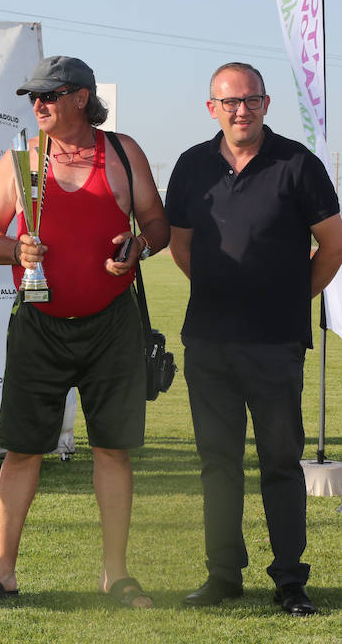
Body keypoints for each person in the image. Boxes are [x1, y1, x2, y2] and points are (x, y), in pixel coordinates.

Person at [0, 55, 168, 608]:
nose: (38, 105)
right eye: (34, 97)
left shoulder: (122, 152)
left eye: (49, 95)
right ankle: (2, 571)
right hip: (38, 324)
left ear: (81, 98)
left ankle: (116, 575)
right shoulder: (20, 159)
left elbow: (157, 224)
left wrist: (137, 246)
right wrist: (14, 248)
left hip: (112, 326)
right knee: (23, 451)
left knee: (113, 450)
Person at [167, 62, 342, 616]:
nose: (241, 110)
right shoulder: (192, 165)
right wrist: (224, 292)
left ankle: (291, 580)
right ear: (212, 108)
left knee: (280, 462)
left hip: (275, 344)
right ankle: (223, 575)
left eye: (251, 100)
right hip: (210, 343)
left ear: (266, 104)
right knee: (217, 463)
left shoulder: (299, 164)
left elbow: (333, 246)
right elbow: (180, 246)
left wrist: (290, 299)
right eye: (230, 101)